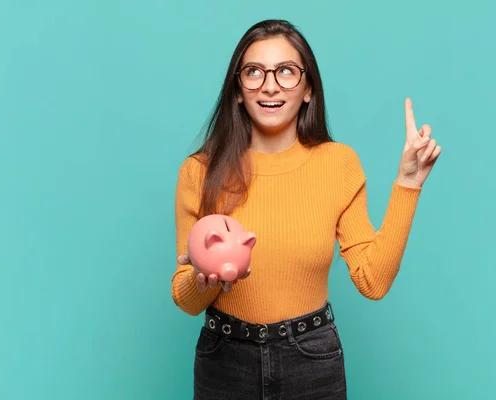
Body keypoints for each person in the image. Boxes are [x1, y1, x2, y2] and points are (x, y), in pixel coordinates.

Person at [171, 19, 441, 400]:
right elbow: (184, 298)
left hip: (311, 359)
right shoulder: (199, 171)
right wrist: (200, 280)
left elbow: (373, 282)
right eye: (254, 72)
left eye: (286, 72)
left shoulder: (338, 164)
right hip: (225, 358)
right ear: (237, 90)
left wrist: (408, 185)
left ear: (308, 88)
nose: (269, 85)